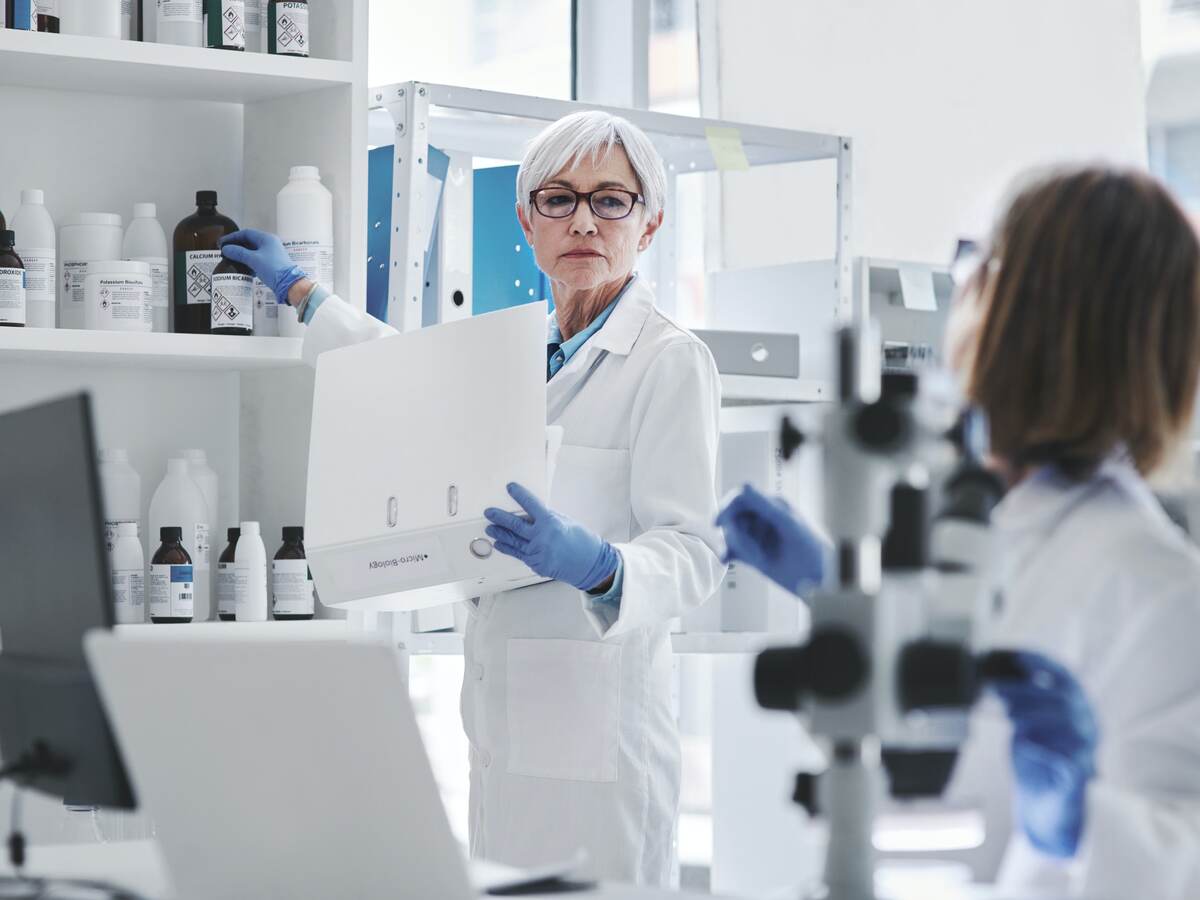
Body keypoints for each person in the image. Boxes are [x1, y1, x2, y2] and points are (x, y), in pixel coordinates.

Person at [221, 110, 726, 886]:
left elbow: (693, 553)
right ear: (527, 222)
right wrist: (302, 291)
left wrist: (599, 567)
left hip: (603, 741)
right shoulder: (517, 348)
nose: (584, 219)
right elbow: (409, 378)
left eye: (610, 200)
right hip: (504, 727)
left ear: (649, 224)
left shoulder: (669, 363)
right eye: (558, 199)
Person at [716, 167, 1200, 898]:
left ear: (1039, 317)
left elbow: (1178, 856)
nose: (960, 295)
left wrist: (1077, 822)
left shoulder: (1161, 591)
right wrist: (841, 598)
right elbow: (917, 757)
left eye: (980, 264)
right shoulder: (990, 520)